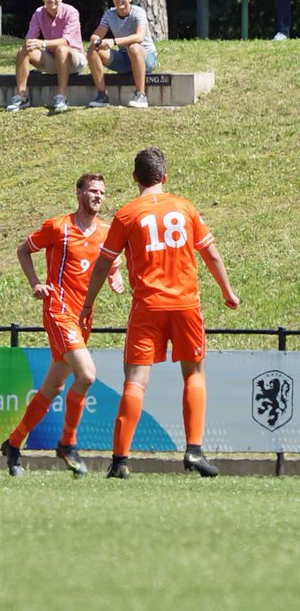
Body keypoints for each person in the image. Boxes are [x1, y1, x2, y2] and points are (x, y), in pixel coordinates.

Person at [80, 147, 238, 479]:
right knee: (194, 374)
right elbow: (211, 253)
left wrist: (88, 303)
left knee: (136, 380)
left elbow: (103, 264)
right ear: (164, 176)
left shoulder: (127, 214)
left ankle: (120, 461)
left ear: (134, 178)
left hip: (148, 307)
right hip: (185, 305)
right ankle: (194, 450)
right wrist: (227, 291)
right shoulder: (184, 208)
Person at [0, 174, 125, 477]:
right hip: (58, 312)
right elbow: (23, 250)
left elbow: (112, 262)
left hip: (83, 317)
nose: (98, 196)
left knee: (53, 387)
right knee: (87, 374)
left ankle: (13, 444)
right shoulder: (58, 227)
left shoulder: (106, 231)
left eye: (102, 192)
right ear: (79, 193)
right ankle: (67, 442)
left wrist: (115, 275)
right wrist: (35, 283)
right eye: (93, 190)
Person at [6, 0, 87, 114]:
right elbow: (29, 38)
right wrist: (30, 43)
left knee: (61, 49)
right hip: (53, 58)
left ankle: (61, 97)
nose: (52, 0)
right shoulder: (38, 13)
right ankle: (22, 96)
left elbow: (65, 42)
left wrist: (42, 43)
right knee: (23, 51)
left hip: (75, 60)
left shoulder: (71, 12)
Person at [86, 0, 157, 109]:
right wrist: (98, 42)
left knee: (134, 47)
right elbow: (95, 36)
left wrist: (113, 41)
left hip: (145, 57)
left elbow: (139, 37)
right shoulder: (109, 14)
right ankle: (102, 95)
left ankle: (141, 95)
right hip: (124, 58)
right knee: (92, 49)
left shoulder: (138, 12)